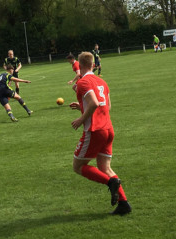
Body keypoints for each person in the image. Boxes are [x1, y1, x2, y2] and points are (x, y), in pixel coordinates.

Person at [69, 52, 131, 215]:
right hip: (108, 129)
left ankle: (111, 182)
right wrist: (82, 106)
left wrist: (82, 118)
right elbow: (106, 106)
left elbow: (95, 103)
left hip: (95, 131)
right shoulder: (102, 81)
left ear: (80, 66)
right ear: (93, 65)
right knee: (104, 167)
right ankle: (124, 204)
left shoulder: (83, 82)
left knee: (78, 166)